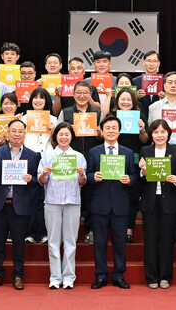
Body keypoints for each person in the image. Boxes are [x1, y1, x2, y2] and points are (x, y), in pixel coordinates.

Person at [0, 119, 40, 290]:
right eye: (13, 131)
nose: (17, 134)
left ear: (25, 134)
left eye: (20, 131)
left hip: (20, 205)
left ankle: (18, 275)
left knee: (19, 243)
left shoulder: (33, 155)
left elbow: (38, 180)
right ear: (7, 134)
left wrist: (31, 179)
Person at [87, 115, 137, 289]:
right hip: (99, 204)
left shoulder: (127, 152)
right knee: (99, 243)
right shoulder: (94, 152)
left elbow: (134, 176)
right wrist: (93, 177)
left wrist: (129, 180)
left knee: (120, 243)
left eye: (114, 128)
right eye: (107, 128)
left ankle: (118, 275)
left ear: (119, 131)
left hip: (120, 205)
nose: (111, 131)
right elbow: (87, 175)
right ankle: (100, 275)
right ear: (102, 131)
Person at [38, 122, 88, 289]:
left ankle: (68, 277)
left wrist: (82, 175)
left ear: (71, 137)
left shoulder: (78, 157)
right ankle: (55, 277)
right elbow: (41, 181)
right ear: (56, 136)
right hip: (52, 201)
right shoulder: (48, 156)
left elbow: (82, 182)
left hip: (72, 202)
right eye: (61, 134)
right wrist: (44, 173)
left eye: (67, 134)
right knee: (53, 241)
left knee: (70, 242)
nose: (64, 137)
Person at [137, 119, 176, 289]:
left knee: (167, 241)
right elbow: (140, 179)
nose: (159, 135)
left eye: (163, 132)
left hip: (169, 202)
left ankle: (165, 276)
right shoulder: (145, 151)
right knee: (150, 241)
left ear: (168, 134)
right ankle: (151, 277)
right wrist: (143, 172)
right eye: (156, 132)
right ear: (151, 134)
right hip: (150, 201)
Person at [57, 80, 103, 244]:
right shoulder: (65, 112)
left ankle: (89, 229)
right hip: (70, 157)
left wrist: (99, 134)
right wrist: (69, 131)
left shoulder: (97, 113)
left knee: (91, 196)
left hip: (92, 157)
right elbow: (57, 136)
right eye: (78, 93)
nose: (82, 96)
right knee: (68, 194)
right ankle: (65, 233)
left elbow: (103, 138)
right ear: (73, 94)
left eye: (85, 93)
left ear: (90, 95)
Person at [108, 87, 149, 243]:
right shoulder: (112, 117)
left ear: (134, 102)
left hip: (134, 160)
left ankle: (129, 229)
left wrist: (142, 130)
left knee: (132, 196)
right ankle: (114, 227)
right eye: (122, 99)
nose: (125, 102)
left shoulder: (140, 116)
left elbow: (145, 140)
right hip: (114, 160)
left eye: (129, 99)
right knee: (114, 195)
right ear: (117, 101)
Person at [22, 87, 57, 244]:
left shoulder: (54, 119)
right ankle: (29, 232)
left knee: (45, 197)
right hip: (29, 158)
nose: (38, 101)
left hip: (48, 159)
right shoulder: (23, 119)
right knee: (30, 197)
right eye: (35, 98)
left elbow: (58, 144)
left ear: (46, 101)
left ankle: (43, 232)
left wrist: (53, 132)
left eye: (41, 98)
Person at [133, 50, 165, 121]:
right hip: (140, 118)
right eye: (148, 61)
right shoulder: (135, 81)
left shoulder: (165, 82)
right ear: (144, 63)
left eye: (154, 61)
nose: (151, 64)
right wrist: (135, 96)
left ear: (158, 64)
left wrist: (165, 98)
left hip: (159, 119)